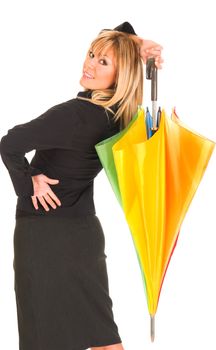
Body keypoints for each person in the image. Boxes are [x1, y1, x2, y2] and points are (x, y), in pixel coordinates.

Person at [0, 22, 163, 350]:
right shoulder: (120, 115)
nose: (89, 63)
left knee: (46, 338)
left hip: (45, 238)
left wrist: (27, 182)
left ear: (121, 75)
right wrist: (136, 44)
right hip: (83, 236)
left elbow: (10, 142)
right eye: (91, 54)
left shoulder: (75, 114)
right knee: (104, 339)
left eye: (103, 62)